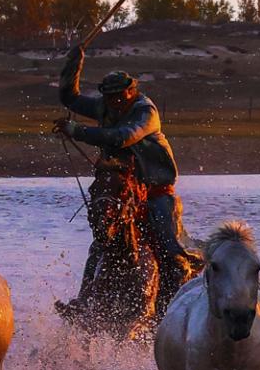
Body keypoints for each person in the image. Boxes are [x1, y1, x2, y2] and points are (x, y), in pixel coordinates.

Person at [55, 45, 201, 306]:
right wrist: (73, 63)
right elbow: (70, 98)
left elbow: (122, 137)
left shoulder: (146, 112)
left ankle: (175, 305)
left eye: (120, 96)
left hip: (156, 192)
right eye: (110, 97)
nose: (115, 102)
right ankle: (84, 300)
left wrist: (76, 131)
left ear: (132, 91)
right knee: (101, 242)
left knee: (170, 249)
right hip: (123, 188)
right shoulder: (105, 107)